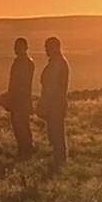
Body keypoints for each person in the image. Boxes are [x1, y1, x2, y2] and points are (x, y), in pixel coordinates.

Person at [39, 36, 69, 165]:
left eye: (48, 47)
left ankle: (60, 160)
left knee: (56, 133)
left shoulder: (57, 63)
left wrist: (44, 103)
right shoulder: (58, 62)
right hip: (55, 103)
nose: (46, 50)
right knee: (55, 132)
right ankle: (58, 159)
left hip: (55, 104)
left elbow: (51, 87)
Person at [6, 37, 35, 158]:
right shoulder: (21, 62)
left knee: (21, 126)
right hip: (18, 100)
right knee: (20, 126)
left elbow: (20, 84)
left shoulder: (26, 63)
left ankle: (26, 150)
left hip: (20, 100)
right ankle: (25, 149)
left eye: (19, 47)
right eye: (16, 47)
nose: (16, 49)